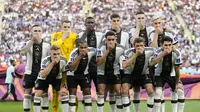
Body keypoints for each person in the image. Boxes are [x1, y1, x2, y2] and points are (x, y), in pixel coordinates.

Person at [149, 14, 185, 112]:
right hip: (158, 67)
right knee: (159, 92)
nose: (157, 25)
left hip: (171, 68)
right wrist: (157, 35)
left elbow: (176, 46)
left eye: (159, 23)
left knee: (179, 91)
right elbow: (153, 49)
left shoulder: (170, 33)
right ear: (152, 24)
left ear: (162, 23)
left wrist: (169, 48)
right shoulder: (151, 34)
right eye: (155, 23)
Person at [21, 24, 50, 112]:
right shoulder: (27, 44)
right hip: (29, 72)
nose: (37, 33)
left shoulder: (47, 45)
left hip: (42, 73)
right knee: (27, 93)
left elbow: (49, 59)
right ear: (31, 33)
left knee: (44, 93)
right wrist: (31, 41)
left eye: (39, 31)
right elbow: (22, 52)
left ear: (42, 33)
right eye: (35, 31)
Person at [129, 11, 154, 111]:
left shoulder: (150, 29)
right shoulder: (132, 30)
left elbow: (153, 46)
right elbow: (132, 41)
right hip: (136, 62)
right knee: (136, 89)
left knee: (152, 90)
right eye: (138, 18)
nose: (140, 20)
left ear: (145, 19)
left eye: (142, 18)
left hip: (148, 62)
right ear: (135, 20)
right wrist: (138, 28)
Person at [122, 38, 154, 112]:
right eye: (137, 46)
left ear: (144, 45)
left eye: (141, 45)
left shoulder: (150, 50)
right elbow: (124, 65)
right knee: (124, 90)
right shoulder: (128, 52)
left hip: (143, 73)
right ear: (134, 46)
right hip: (130, 73)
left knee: (150, 91)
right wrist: (136, 54)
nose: (139, 47)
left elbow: (158, 50)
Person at [150, 37, 182, 112]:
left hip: (172, 74)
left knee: (180, 91)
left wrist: (177, 83)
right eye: (165, 45)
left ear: (172, 45)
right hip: (159, 75)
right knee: (158, 92)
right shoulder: (157, 52)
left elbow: (177, 70)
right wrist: (163, 54)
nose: (167, 47)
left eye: (169, 45)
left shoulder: (176, 53)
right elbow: (152, 63)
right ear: (162, 45)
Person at [51, 20, 77, 112]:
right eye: (64, 27)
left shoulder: (74, 36)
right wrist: (63, 37)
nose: (66, 29)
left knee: (72, 92)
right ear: (61, 27)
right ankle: (55, 110)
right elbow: (53, 46)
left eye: (68, 27)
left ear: (71, 27)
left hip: (70, 67)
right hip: (58, 67)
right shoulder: (56, 35)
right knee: (55, 92)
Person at [33, 45, 68, 112]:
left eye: (58, 54)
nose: (56, 56)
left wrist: (63, 85)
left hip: (57, 78)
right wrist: (53, 63)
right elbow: (43, 75)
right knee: (38, 94)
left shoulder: (64, 60)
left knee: (64, 93)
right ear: (50, 54)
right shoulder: (45, 61)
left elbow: (64, 74)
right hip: (44, 78)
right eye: (54, 54)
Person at [96, 31, 124, 112]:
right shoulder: (100, 48)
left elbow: (124, 61)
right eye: (109, 40)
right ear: (106, 40)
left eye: (112, 39)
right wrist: (107, 51)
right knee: (101, 92)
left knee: (117, 92)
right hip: (102, 72)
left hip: (115, 72)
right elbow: (98, 62)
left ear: (115, 39)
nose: (111, 41)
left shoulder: (121, 49)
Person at [67, 39, 95, 112]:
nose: (83, 49)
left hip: (84, 74)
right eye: (81, 48)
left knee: (87, 92)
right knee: (72, 92)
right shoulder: (73, 53)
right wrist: (79, 57)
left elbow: (100, 52)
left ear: (87, 47)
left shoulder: (92, 50)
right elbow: (71, 68)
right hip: (72, 75)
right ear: (78, 48)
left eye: (85, 47)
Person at [78, 17, 103, 94]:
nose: (90, 24)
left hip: (96, 67)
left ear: (95, 24)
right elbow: (78, 45)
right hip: (85, 67)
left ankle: (100, 105)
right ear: (85, 24)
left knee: (100, 91)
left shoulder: (100, 35)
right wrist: (86, 32)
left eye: (92, 23)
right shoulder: (80, 34)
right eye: (88, 23)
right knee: (86, 91)